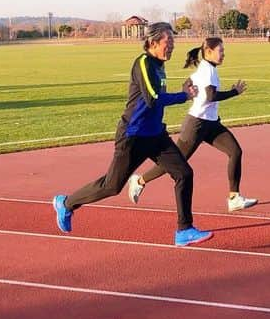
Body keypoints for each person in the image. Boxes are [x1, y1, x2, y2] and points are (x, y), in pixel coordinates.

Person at [53, 22, 214, 246]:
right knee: (112, 186)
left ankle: (184, 230)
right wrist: (183, 96)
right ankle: (67, 203)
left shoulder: (159, 66)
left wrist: (185, 91)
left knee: (184, 173)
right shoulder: (143, 63)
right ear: (153, 42)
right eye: (169, 42)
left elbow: (156, 101)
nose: (172, 46)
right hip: (133, 136)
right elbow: (152, 99)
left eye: (173, 42)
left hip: (156, 136)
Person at [127, 37, 257, 212]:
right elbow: (211, 96)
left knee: (235, 151)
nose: (223, 54)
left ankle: (234, 197)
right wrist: (234, 92)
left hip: (211, 124)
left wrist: (189, 90)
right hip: (196, 125)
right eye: (221, 51)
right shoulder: (208, 70)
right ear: (209, 52)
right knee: (177, 162)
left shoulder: (206, 68)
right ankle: (140, 180)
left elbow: (187, 83)